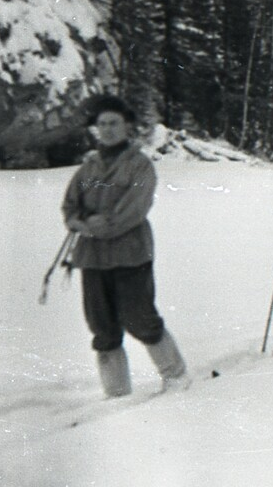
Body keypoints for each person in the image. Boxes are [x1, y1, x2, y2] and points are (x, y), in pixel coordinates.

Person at [61, 94, 190, 397]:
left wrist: (99, 226)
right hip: (92, 257)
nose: (107, 129)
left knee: (139, 317)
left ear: (127, 126)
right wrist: (78, 223)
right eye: (102, 124)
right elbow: (70, 206)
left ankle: (176, 375)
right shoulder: (88, 167)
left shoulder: (139, 164)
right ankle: (116, 392)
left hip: (130, 253)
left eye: (114, 123)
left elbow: (135, 208)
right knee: (101, 326)